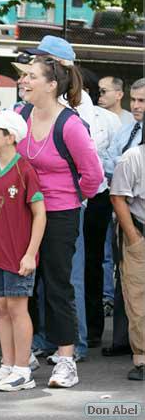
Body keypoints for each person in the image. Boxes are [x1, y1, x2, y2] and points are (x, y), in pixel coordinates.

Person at [16, 54, 104, 387]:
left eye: (31, 76)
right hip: (23, 211)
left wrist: (70, 199)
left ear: (52, 85)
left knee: (57, 284)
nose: (24, 80)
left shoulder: (70, 124)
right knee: (20, 285)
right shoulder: (19, 114)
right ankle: (21, 358)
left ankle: (66, 359)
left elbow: (92, 175)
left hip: (60, 213)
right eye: (24, 76)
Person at [0, 110, 46, 392]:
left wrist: (30, 253)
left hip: (17, 253)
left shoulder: (24, 169)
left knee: (18, 309)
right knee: (2, 309)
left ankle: (22, 369)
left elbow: (40, 214)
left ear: (10, 137)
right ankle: (6, 365)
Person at [102, 77, 145, 357]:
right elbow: (109, 160)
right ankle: (127, 344)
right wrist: (132, 236)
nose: (137, 105)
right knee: (129, 287)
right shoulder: (127, 130)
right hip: (129, 217)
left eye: (143, 100)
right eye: (135, 100)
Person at [80, 68, 121, 348]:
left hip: (97, 197)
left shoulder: (109, 120)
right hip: (69, 197)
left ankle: (94, 326)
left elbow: (115, 160)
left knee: (92, 261)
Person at [110, 121, 145, 381]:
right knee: (137, 296)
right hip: (139, 231)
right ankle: (142, 358)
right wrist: (133, 237)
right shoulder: (133, 157)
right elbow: (117, 197)